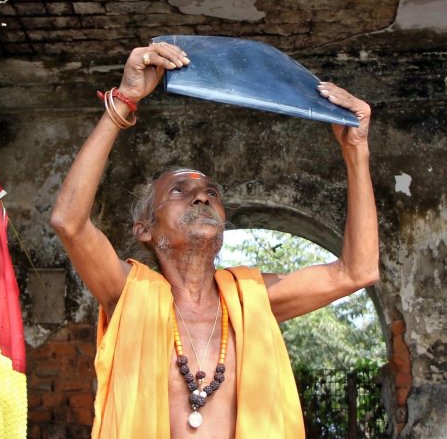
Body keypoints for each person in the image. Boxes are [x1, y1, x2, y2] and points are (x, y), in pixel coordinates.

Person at [50, 41, 379, 439]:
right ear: (145, 229)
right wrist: (125, 100)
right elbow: (69, 221)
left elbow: (357, 271)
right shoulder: (129, 294)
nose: (202, 196)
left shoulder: (250, 300)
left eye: (212, 192)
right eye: (178, 192)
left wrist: (356, 151)